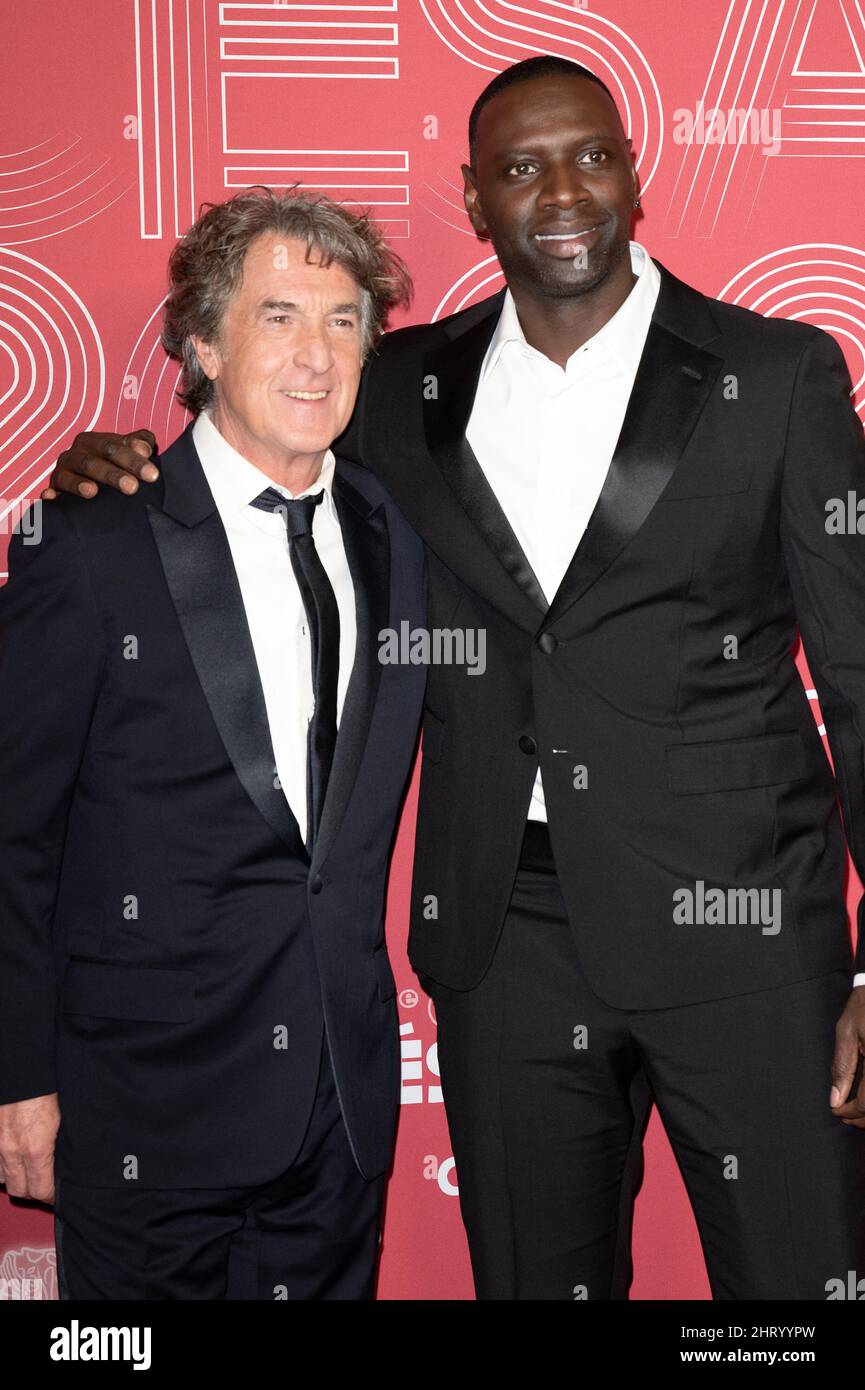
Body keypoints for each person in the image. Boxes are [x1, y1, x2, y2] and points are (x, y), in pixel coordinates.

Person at [42, 56, 865, 1300]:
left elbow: (856, 673)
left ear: (635, 175)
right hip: (505, 946)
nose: (562, 190)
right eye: (520, 167)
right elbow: (260, 438)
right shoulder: (401, 390)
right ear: (475, 201)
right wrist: (122, 461)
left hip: (744, 938)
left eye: (590, 154)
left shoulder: (782, 376)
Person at [0, 187, 427, 1300]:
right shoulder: (91, 542)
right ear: (200, 341)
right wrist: (15, 1074)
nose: (315, 354)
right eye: (277, 315)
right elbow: (11, 832)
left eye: (342, 321)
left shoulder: (396, 540)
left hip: (336, 1109)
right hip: (144, 1112)